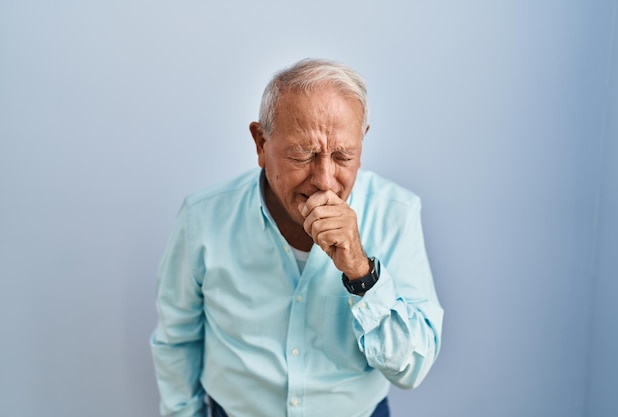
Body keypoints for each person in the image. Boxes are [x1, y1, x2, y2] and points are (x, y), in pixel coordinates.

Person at [150, 58, 443, 417]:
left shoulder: (397, 212)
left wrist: (361, 271)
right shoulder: (203, 217)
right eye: (302, 155)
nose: (324, 179)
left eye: (342, 155)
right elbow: (177, 340)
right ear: (261, 143)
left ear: (362, 142)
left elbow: (411, 368)